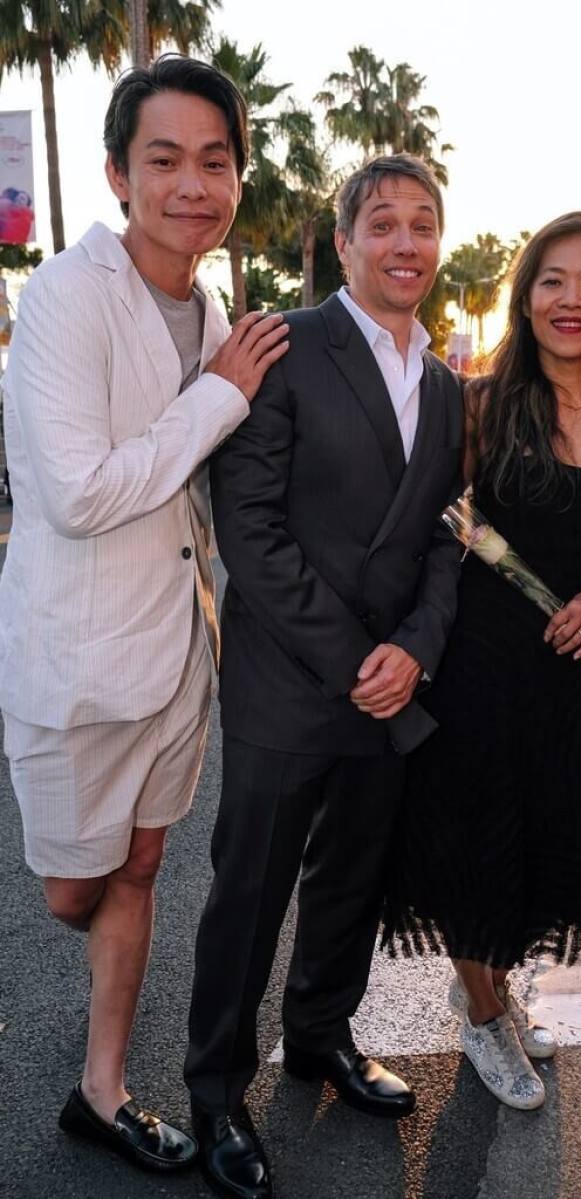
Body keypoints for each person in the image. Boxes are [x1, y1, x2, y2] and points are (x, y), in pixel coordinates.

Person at [0, 55, 288, 1173]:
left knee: (140, 868)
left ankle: (103, 1086)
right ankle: (97, 1067)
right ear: (119, 173)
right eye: (163, 159)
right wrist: (221, 389)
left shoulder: (208, 301)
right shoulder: (67, 296)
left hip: (177, 654)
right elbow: (76, 494)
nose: (191, 184)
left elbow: (208, 483)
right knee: (77, 881)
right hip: (76, 659)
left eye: (214, 161)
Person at [184, 153, 463, 1199]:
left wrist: (416, 649)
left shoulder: (442, 383)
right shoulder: (281, 347)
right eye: (381, 223)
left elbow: (446, 532)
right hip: (288, 682)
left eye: (421, 224)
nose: (403, 242)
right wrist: (355, 659)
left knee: (353, 874)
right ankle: (214, 1093)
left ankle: (317, 1037)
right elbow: (246, 530)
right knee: (246, 896)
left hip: (391, 682)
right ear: (341, 243)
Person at [382, 212, 581, 1109]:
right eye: (553, 280)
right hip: (477, 662)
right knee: (477, 844)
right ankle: (480, 1015)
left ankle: (497, 995)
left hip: (563, 668)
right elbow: (437, 522)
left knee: (544, 841)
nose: (572, 299)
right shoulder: (481, 400)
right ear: (527, 293)